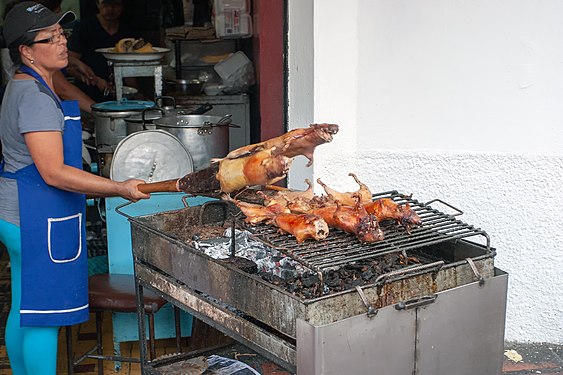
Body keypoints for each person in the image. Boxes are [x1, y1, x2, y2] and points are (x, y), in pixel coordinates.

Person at [0, 2, 150, 374]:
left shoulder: (24, 85)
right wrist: (118, 187)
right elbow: (53, 173)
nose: (62, 42)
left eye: (61, 33)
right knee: (44, 315)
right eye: (49, 38)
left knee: (25, 304)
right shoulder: (35, 98)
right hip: (33, 218)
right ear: (26, 51)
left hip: (16, 212)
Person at [67, 0, 139, 102]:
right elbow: (70, 65)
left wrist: (135, 92)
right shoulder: (84, 27)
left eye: (116, 4)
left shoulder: (126, 31)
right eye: (105, 3)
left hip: (120, 96)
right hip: (88, 95)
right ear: (97, 4)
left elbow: (129, 68)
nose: (110, 8)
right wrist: (95, 80)